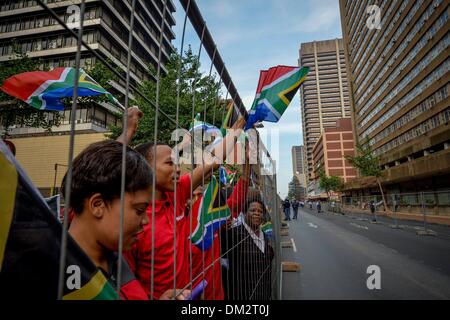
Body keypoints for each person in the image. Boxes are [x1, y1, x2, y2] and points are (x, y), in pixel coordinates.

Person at [125, 117, 246, 300]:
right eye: (169, 163)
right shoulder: (130, 221)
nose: (178, 169)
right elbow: (122, 284)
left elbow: (212, 161)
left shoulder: (176, 194)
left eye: (177, 162)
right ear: (145, 168)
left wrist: (238, 126)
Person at [60, 139, 153, 300]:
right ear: (98, 205)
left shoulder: (115, 259)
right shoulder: (55, 277)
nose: (146, 220)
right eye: (139, 210)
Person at [222, 197, 274, 300]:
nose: (257, 213)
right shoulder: (234, 234)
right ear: (244, 213)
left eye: (260, 211)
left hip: (264, 294)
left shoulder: (266, 237)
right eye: (252, 210)